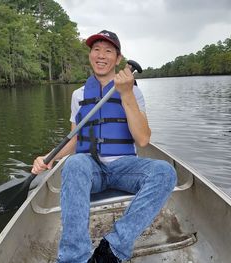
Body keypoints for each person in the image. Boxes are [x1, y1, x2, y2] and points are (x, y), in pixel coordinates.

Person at [32, 30, 177, 263]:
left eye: (108, 51)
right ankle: (73, 258)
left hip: (124, 168)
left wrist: (127, 93)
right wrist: (49, 158)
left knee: (165, 172)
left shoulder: (134, 92)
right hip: (91, 170)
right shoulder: (78, 95)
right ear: (90, 55)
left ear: (118, 59)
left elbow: (143, 140)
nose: (101, 55)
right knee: (76, 162)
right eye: (96, 49)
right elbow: (75, 140)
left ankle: (112, 249)